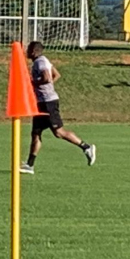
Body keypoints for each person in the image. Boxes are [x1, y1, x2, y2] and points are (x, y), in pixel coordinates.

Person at [20, 41, 96, 174]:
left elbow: (48, 78)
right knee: (36, 133)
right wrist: (43, 87)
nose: (26, 52)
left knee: (59, 132)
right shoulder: (44, 61)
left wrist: (33, 83)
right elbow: (57, 75)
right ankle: (30, 165)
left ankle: (86, 147)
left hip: (48, 103)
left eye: (28, 49)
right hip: (41, 102)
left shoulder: (40, 62)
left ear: (33, 51)